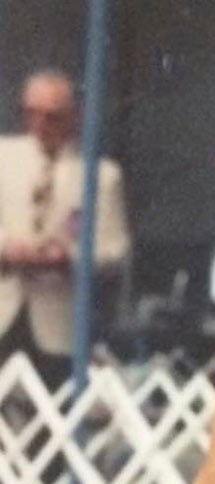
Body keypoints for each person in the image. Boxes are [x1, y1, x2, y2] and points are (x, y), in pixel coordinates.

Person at [0, 69, 131, 391]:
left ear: (75, 115)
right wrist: (6, 247)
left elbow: (115, 253)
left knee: (49, 426)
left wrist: (69, 258)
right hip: (4, 309)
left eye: (52, 117)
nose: (39, 125)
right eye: (30, 114)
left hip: (60, 327)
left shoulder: (102, 176)